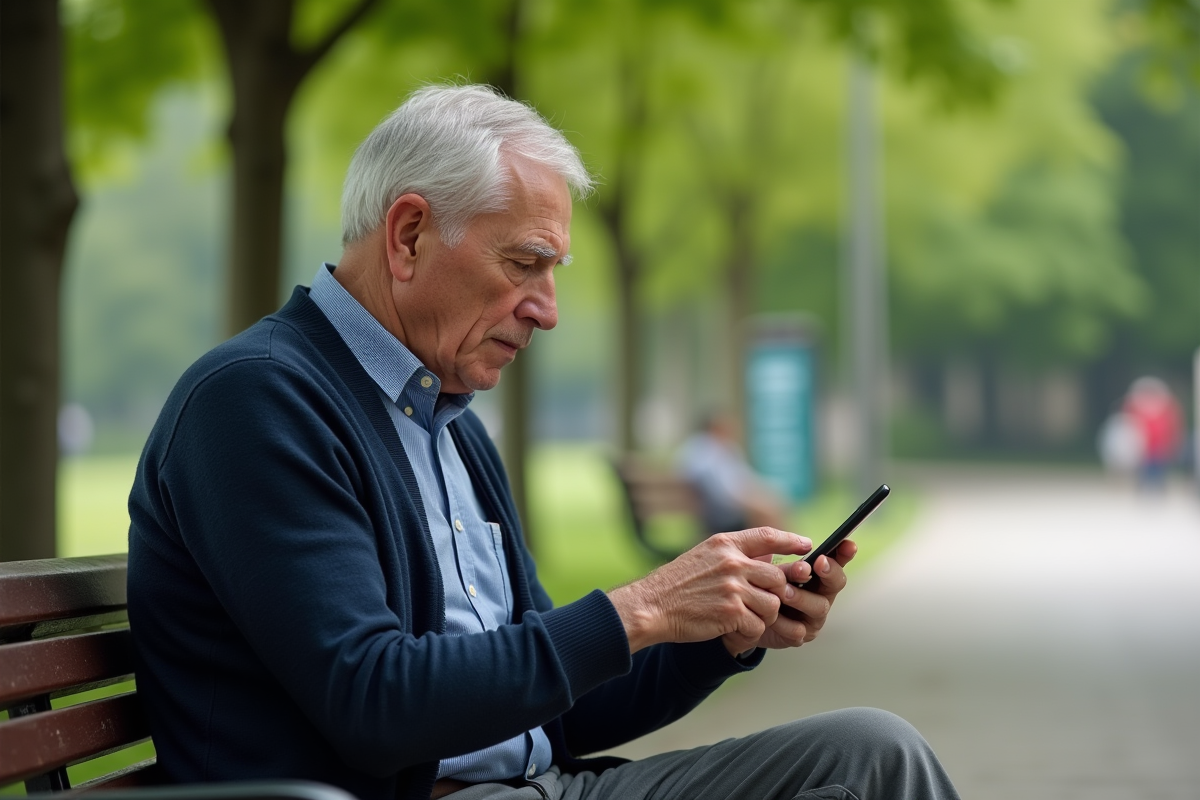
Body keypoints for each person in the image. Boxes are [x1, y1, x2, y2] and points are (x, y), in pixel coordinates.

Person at [128, 84, 960, 800]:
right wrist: (641, 610)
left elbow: (554, 709)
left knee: (871, 753)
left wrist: (719, 633)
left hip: (537, 785)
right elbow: (374, 703)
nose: (548, 308)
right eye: (526, 264)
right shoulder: (256, 400)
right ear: (409, 235)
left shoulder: (447, 423)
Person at [676, 411, 788, 534]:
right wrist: (745, 500)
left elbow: (745, 477)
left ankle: (786, 546)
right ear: (714, 427)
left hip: (733, 499)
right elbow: (719, 489)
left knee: (772, 502)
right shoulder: (702, 450)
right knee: (766, 511)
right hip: (718, 508)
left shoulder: (726, 448)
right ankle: (784, 547)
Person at [1122, 376, 1184, 490]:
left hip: (1160, 446)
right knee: (1143, 471)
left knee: (1160, 470)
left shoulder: (1166, 406)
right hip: (1143, 447)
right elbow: (1128, 422)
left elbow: (1173, 424)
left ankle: (1158, 490)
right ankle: (1144, 490)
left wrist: (1173, 442)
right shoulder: (1136, 406)